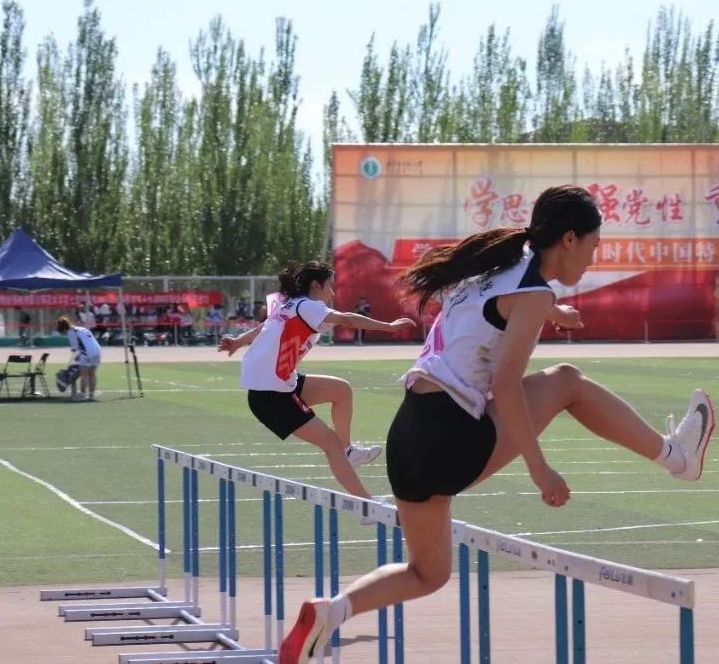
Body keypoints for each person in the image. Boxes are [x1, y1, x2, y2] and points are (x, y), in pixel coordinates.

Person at [279, 185, 716, 663]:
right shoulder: (532, 290)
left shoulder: (494, 269)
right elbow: (506, 386)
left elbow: (495, 308)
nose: (594, 258)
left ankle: (331, 612)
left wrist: (552, 310)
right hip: (448, 434)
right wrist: (539, 468)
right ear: (569, 239)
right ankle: (677, 458)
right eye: (593, 245)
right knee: (566, 381)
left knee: (427, 573)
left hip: (408, 434)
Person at [219, 260, 416, 501]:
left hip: (279, 385)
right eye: (330, 286)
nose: (333, 293)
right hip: (271, 395)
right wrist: (389, 326)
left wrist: (238, 341)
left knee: (341, 390)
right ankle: (367, 504)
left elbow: (265, 326)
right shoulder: (308, 307)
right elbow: (348, 319)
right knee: (331, 444)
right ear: (315, 285)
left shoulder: (291, 305)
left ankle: (348, 451)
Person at [56, 315, 102, 401]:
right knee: (92, 374)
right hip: (97, 350)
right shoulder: (81, 328)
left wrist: (73, 361)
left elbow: (75, 349)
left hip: (87, 352)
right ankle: (91, 395)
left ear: (64, 329)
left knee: (84, 374)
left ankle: (82, 395)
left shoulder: (71, 332)